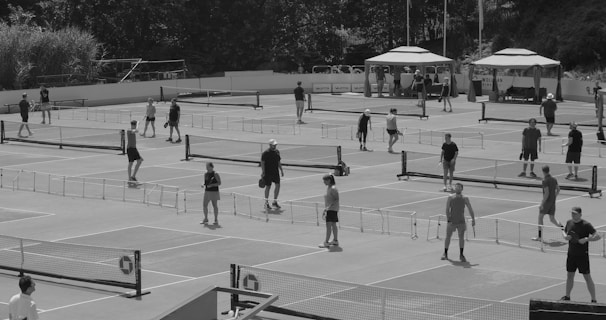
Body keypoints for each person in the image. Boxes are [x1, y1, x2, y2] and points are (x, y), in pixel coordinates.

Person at [561, 207, 600, 303]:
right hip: (571, 254)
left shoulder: (586, 225)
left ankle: (594, 300)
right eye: (572, 213)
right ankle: (567, 296)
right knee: (570, 275)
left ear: (580, 214)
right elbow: (565, 232)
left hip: (582, 255)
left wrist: (586, 239)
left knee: (587, 277)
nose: (573, 215)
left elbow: (597, 236)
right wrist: (565, 237)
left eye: (575, 213)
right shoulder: (569, 222)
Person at [441, 183, 476, 262]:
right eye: (456, 187)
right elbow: (447, 209)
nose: (457, 189)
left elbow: (470, 208)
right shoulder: (450, 197)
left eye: (459, 188)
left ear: (462, 189)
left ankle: (461, 254)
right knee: (448, 237)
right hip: (452, 221)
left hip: (461, 221)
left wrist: (473, 219)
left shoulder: (465, 198)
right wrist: (448, 220)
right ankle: (445, 253)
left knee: (461, 238)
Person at [532, 165, 564, 241]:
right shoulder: (554, 179)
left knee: (540, 218)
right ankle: (562, 227)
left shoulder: (545, 180)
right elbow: (558, 189)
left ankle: (540, 237)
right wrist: (554, 196)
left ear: (543, 171)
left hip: (547, 202)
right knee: (552, 219)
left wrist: (542, 204)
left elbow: (546, 193)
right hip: (553, 202)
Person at [261, 139, 284, 209]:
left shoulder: (277, 152)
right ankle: (266, 202)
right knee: (268, 187)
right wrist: (263, 172)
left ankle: (275, 201)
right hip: (268, 173)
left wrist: (281, 170)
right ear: (270, 145)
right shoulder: (265, 153)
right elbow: (262, 163)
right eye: (273, 145)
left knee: (278, 185)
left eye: (275, 145)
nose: (275, 146)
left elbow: (278, 162)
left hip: (275, 172)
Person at [321, 173, 340, 247]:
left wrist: (328, 208)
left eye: (325, 181)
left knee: (328, 226)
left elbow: (336, 199)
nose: (324, 182)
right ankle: (335, 241)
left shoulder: (333, 188)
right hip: (331, 209)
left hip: (332, 209)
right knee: (333, 225)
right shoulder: (329, 188)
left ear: (329, 180)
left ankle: (326, 242)